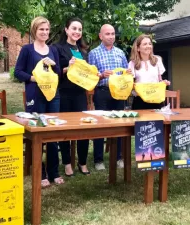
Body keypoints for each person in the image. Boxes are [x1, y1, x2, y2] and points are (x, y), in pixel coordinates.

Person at [14, 16, 64, 187]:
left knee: (52, 133)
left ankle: (54, 172)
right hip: (35, 95)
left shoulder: (53, 50)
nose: (44, 32)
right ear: (34, 30)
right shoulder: (27, 50)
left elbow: (58, 74)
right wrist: (33, 78)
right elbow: (18, 72)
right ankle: (41, 172)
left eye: (46, 29)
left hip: (53, 95)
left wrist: (54, 65)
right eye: (41, 29)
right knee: (38, 133)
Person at [88, 24, 132, 170]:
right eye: (107, 34)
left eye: (113, 34)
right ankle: (98, 160)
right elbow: (89, 77)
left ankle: (119, 157)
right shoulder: (93, 53)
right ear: (101, 36)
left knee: (119, 124)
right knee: (101, 126)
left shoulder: (120, 52)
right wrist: (100, 75)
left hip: (119, 93)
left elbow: (126, 73)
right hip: (102, 92)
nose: (111, 36)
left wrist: (129, 74)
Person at [53, 18, 90, 176]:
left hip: (80, 94)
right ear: (66, 30)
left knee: (83, 129)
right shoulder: (57, 48)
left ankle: (82, 162)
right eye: (74, 28)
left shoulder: (83, 51)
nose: (77, 32)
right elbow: (54, 72)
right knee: (65, 129)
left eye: (80, 29)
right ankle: (67, 163)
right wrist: (67, 67)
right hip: (64, 93)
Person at [129, 34, 171, 110]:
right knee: (140, 122)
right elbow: (130, 84)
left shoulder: (157, 60)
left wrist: (163, 82)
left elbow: (159, 79)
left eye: (150, 44)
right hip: (139, 100)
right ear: (138, 48)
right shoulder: (132, 63)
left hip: (156, 99)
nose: (148, 46)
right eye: (145, 44)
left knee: (158, 121)